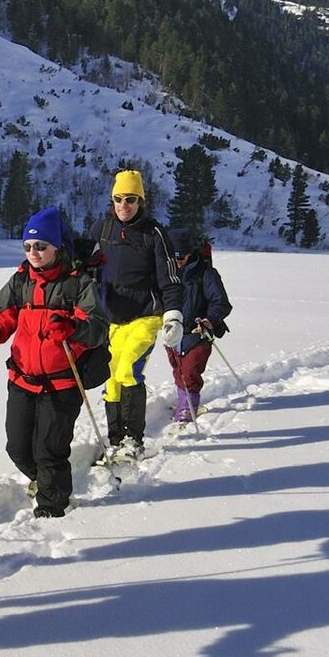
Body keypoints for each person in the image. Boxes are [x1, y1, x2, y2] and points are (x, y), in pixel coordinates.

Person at [0, 206, 108, 517]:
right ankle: (46, 483)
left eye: (41, 246)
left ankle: (53, 511)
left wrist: (72, 329)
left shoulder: (78, 284)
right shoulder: (21, 281)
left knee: (48, 451)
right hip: (22, 379)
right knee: (18, 449)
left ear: (57, 246)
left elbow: (97, 329)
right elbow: (0, 320)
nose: (33, 253)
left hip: (63, 383)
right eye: (27, 246)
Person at [87, 168, 184, 463]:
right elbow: (83, 265)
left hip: (146, 314)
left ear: (140, 201)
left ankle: (133, 440)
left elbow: (170, 277)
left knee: (128, 369)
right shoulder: (102, 230)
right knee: (111, 376)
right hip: (112, 317)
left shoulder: (154, 234)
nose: (124, 205)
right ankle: (115, 439)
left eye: (130, 199)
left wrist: (174, 316)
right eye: (118, 198)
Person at [165, 229, 233, 424]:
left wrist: (209, 319)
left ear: (190, 253)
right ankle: (183, 401)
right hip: (172, 333)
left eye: (181, 256)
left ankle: (188, 408)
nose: (177, 260)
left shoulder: (206, 273)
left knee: (190, 372)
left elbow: (221, 302)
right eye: (172, 256)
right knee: (178, 372)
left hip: (198, 333)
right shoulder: (166, 274)